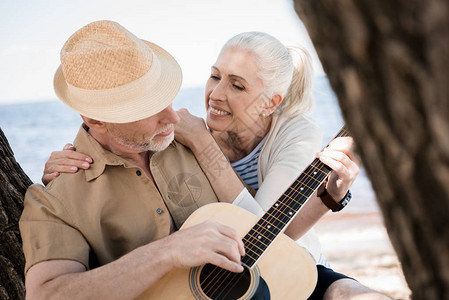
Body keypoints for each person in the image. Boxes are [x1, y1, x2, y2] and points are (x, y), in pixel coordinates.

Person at [40, 29, 390, 299]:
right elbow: (119, 137)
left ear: (272, 102)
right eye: (214, 76)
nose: (216, 95)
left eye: (237, 85)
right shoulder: (177, 135)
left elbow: (267, 233)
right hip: (228, 275)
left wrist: (334, 196)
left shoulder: (293, 135)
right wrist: (70, 168)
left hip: (295, 259)